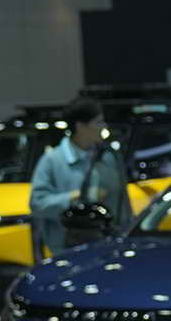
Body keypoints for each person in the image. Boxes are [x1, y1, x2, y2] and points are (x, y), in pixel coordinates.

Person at [30, 101, 126, 259]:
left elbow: (122, 203)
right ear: (80, 126)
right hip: (67, 250)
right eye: (98, 122)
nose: (104, 127)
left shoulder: (108, 158)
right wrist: (75, 198)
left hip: (107, 246)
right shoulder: (53, 161)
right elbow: (37, 203)